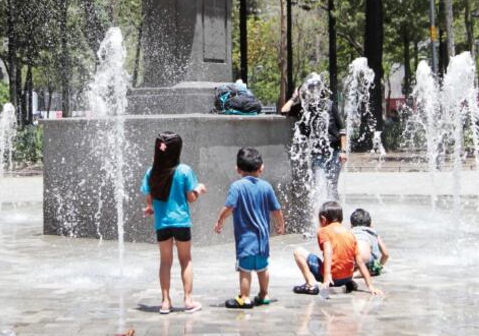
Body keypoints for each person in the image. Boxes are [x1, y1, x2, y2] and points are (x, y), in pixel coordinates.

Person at [141, 131, 207, 314]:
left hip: (162, 223)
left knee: (165, 262)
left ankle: (165, 302)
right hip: (181, 222)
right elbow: (191, 198)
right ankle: (188, 300)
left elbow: (150, 198)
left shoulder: (151, 172)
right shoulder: (184, 170)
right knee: (185, 260)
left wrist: (150, 208)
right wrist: (199, 189)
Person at [214, 147, 285, 309]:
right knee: (262, 267)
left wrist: (220, 220)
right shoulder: (266, 186)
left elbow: (229, 207)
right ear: (261, 168)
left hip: (246, 239)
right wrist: (280, 224)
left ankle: (245, 297)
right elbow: (276, 210)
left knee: (245, 269)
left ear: (238, 170)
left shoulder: (237, 187)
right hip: (263, 239)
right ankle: (264, 294)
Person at [292, 201, 382, 297]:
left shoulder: (323, 231)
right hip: (347, 277)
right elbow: (360, 262)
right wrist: (370, 286)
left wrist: (327, 275)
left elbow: (328, 251)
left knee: (298, 251)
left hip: (332, 279)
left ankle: (310, 284)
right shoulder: (350, 234)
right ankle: (348, 282)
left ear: (323, 219)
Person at [281, 73, 347, 201]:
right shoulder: (302, 108)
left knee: (332, 185)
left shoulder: (329, 105)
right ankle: (320, 212)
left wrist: (343, 151)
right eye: (310, 87)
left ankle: (335, 213)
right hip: (316, 154)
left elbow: (342, 130)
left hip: (333, 152)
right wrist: (294, 97)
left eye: (316, 87)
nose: (313, 90)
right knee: (318, 185)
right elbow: (284, 111)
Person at [349, 208, 389, 277]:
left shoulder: (349, 232)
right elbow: (385, 254)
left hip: (350, 263)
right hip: (367, 263)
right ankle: (360, 272)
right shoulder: (373, 233)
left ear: (351, 225)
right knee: (374, 266)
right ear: (370, 225)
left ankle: (354, 272)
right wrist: (380, 266)